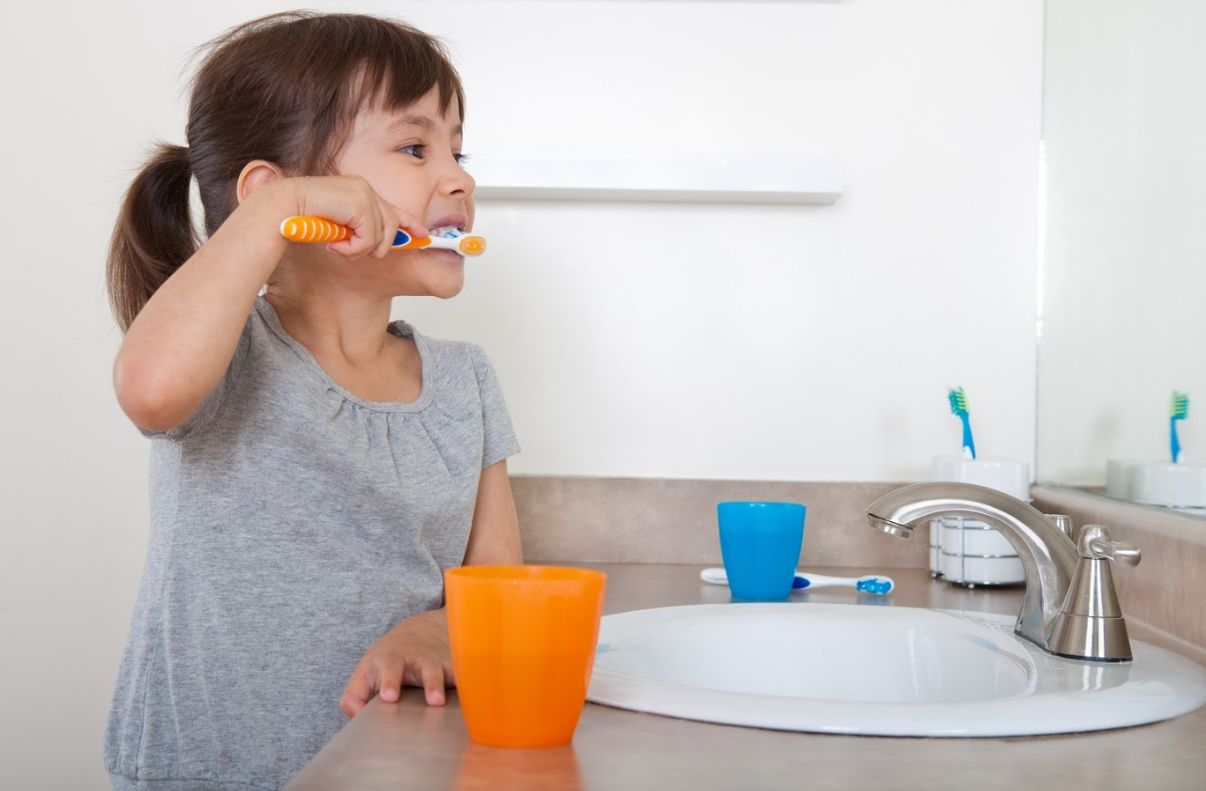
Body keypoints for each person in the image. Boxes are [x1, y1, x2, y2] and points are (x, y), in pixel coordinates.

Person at [103, 12, 522, 790]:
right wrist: (266, 215)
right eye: (414, 147)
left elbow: (498, 590)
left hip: (394, 770)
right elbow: (151, 389)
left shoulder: (466, 381)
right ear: (284, 193)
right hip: (203, 772)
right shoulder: (227, 351)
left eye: (457, 150)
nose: (460, 178)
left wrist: (439, 627)